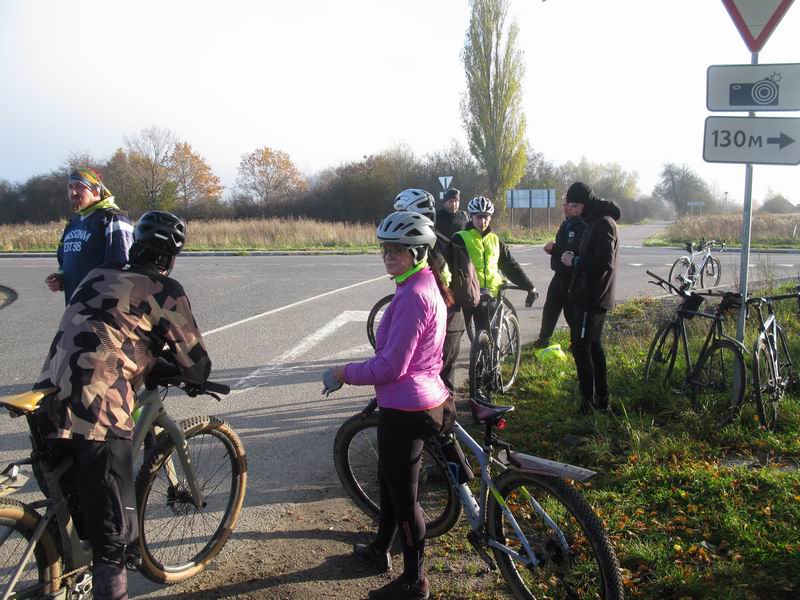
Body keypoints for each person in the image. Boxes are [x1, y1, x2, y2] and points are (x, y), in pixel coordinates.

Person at [34, 211, 211, 600]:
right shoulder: (164, 289)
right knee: (112, 544)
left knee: (75, 512)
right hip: (97, 411)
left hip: (46, 402)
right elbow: (197, 366)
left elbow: (107, 330)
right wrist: (176, 369)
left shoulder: (96, 275)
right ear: (171, 257)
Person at [325, 211, 455, 600]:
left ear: (418, 252)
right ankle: (381, 548)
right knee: (387, 478)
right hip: (426, 396)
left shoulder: (414, 295)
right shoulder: (423, 282)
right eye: (384, 249)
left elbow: (391, 366)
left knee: (405, 498)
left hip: (408, 409)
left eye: (396, 251)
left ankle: (415, 581)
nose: (387, 256)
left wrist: (343, 372)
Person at [393, 188, 467, 394]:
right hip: (451, 323)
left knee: (430, 391)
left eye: (401, 213)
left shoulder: (429, 246)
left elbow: (436, 290)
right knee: (441, 392)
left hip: (446, 326)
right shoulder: (433, 240)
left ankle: (445, 423)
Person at [560, 182, 621, 413]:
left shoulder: (603, 223)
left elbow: (604, 262)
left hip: (592, 296)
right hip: (589, 294)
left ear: (586, 204)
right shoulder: (594, 220)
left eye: (575, 205)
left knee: (582, 348)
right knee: (593, 347)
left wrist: (575, 261)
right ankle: (601, 400)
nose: (573, 209)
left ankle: (589, 403)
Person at [45, 167, 134, 304]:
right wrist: (60, 278)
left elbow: (123, 267)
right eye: (70, 187)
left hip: (102, 312)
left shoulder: (113, 219)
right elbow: (64, 262)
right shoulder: (73, 223)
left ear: (95, 190)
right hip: (74, 309)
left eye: (80, 186)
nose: (73, 192)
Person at [451, 196, 537, 335]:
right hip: (466, 293)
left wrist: (529, 287)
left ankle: (490, 353)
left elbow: (511, 266)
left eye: (486, 217)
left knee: (488, 336)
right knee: (455, 334)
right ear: (471, 217)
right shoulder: (460, 238)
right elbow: (451, 267)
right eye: (479, 217)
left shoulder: (495, 240)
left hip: (490, 293)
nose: (482, 221)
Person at [533, 193, 587, 349]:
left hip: (573, 276)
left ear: (577, 207)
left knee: (571, 312)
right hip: (559, 274)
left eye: (569, 205)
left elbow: (576, 249)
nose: (565, 208)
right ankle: (543, 340)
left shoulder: (582, 225)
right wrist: (553, 250)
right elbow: (563, 247)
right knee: (550, 308)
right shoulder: (566, 224)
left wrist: (555, 248)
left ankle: (575, 344)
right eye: (564, 204)